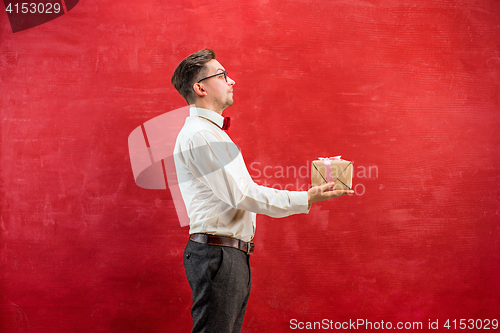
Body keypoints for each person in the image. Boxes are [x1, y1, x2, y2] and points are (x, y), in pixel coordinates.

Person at [171, 49, 353, 333]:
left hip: (226, 255)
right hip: (218, 255)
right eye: (222, 75)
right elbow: (243, 195)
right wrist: (306, 198)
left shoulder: (209, 133)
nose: (232, 81)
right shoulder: (202, 135)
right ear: (200, 87)